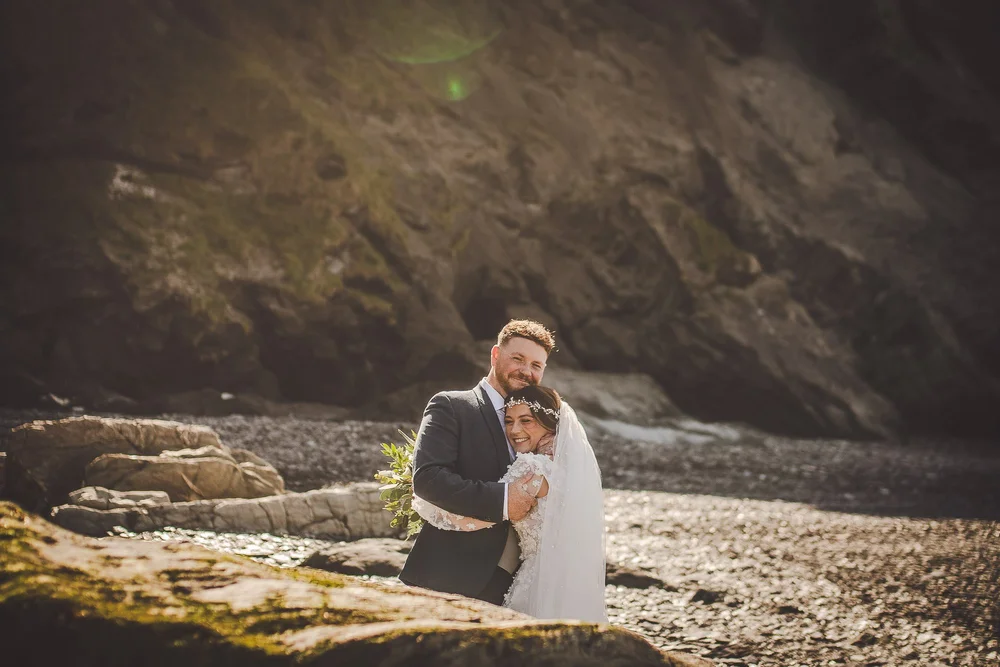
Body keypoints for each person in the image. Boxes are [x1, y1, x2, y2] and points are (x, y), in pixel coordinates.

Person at [412, 385, 608, 623]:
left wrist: (426, 505)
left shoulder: (530, 467)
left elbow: (486, 513)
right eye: (509, 421)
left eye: (526, 420)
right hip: (568, 579)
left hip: (536, 580)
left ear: (548, 422)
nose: (515, 430)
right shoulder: (568, 468)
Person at [399, 319, 555, 605]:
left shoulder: (546, 422)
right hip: (450, 575)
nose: (526, 371)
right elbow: (428, 479)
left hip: (519, 583)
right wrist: (505, 500)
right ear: (495, 356)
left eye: (536, 365)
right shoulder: (452, 406)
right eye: (518, 359)